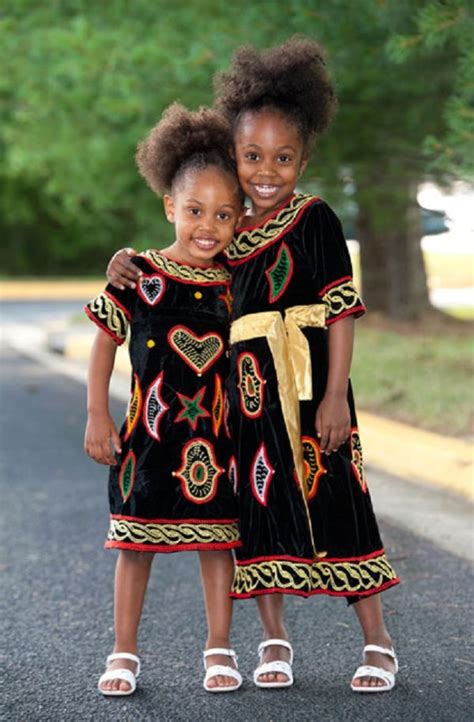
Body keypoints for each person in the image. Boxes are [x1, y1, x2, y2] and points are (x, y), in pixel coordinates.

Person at [106, 37, 400, 694]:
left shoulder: (314, 219)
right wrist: (122, 262)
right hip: (245, 397)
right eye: (252, 156)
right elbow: (178, 260)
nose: (268, 170)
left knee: (341, 503)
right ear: (234, 158)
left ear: (304, 158)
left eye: (284, 158)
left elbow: (343, 311)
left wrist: (334, 399)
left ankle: (377, 640)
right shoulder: (231, 228)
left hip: (310, 386)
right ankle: (274, 637)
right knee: (259, 514)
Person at [84, 103, 245, 696]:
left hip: (218, 442)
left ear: (239, 219)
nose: (209, 224)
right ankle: (123, 651)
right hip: (146, 440)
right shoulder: (139, 274)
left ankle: (219, 646)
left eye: (224, 214)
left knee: (217, 542)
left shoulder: (237, 278)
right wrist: (98, 413)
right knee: (134, 543)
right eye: (195, 210)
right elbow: (104, 342)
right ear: (169, 207)